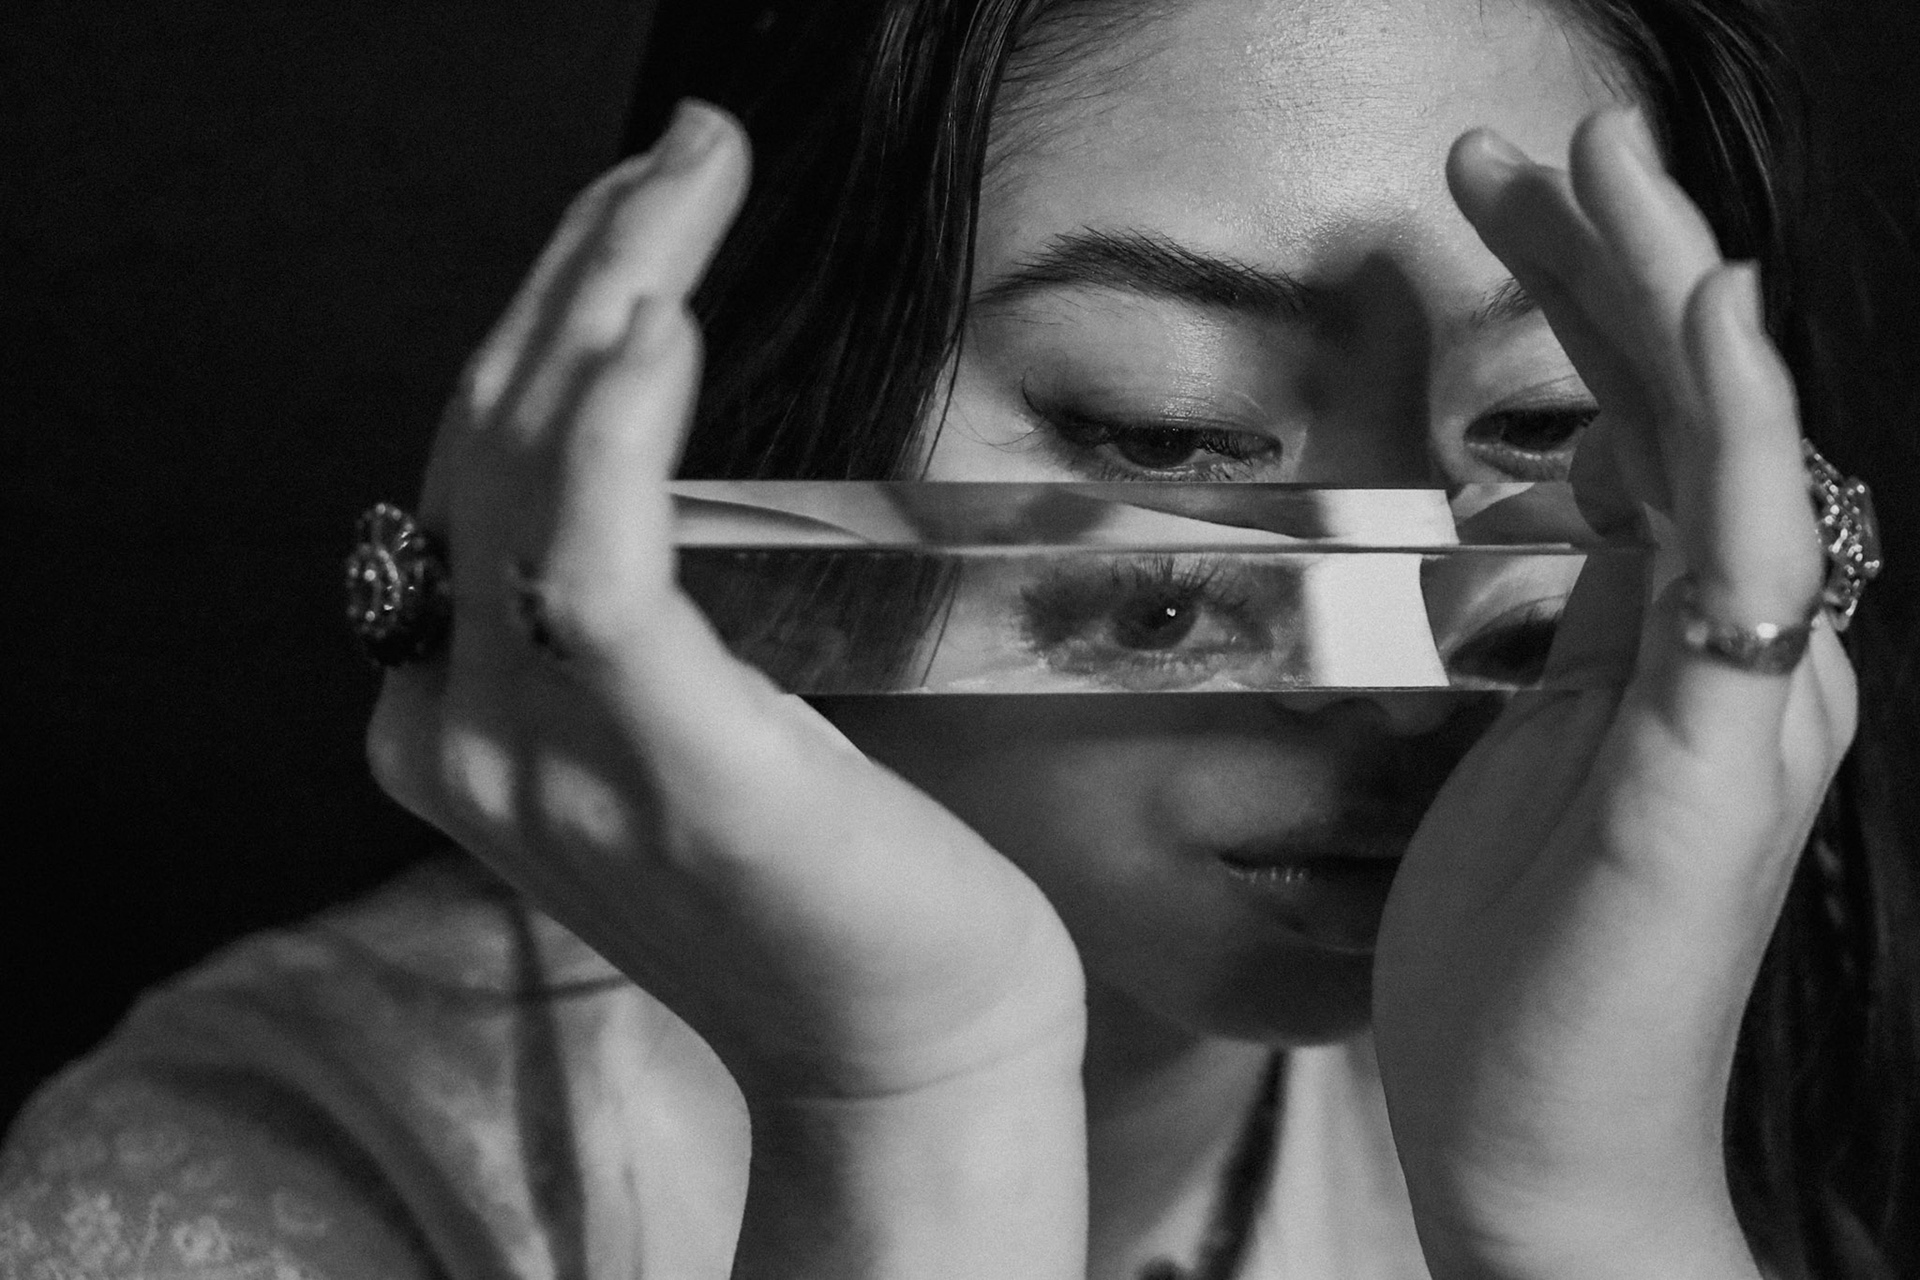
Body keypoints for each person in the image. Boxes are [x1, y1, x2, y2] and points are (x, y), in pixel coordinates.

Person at [3, 0, 1913, 1276]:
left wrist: (1592, 1214)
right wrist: (906, 1110)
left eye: (1549, 428)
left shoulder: (1677, 1086)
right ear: (747, 422)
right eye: (1163, 431)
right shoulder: (238, 1188)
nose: (1399, 676)